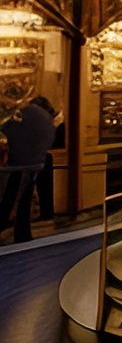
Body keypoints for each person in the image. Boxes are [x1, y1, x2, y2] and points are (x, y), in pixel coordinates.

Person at [0, 99, 57, 242]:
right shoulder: (44, 118)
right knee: (23, 201)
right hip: (34, 165)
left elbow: (6, 134)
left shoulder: (20, 115)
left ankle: (6, 228)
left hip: (14, 166)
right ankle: (22, 234)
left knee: (9, 199)